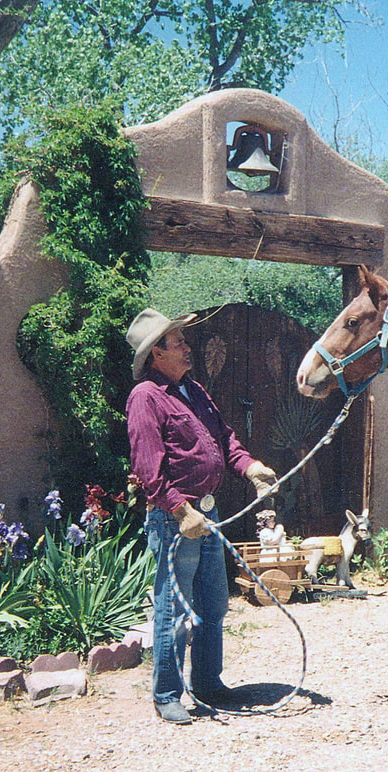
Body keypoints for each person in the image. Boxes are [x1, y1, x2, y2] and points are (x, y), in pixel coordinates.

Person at [125, 308, 277, 724]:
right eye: (178, 343)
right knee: (175, 608)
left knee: (213, 604)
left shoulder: (193, 390)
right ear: (157, 353)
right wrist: (178, 508)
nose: (187, 347)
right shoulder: (145, 398)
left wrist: (249, 466)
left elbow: (224, 439)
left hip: (207, 517)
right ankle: (167, 694)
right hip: (178, 521)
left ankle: (208, 683)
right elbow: (147, 469)